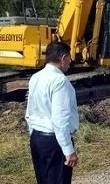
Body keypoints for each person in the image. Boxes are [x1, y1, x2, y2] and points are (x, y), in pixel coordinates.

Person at [25, 42, 79, 184]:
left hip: (37, 138)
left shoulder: (35, 77)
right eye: (69, 58)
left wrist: (33, 134)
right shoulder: (60, 81)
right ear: (63, 58)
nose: (70, 62)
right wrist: (68, 150)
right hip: (54, 142)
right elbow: (59, 120)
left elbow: (30, 111)